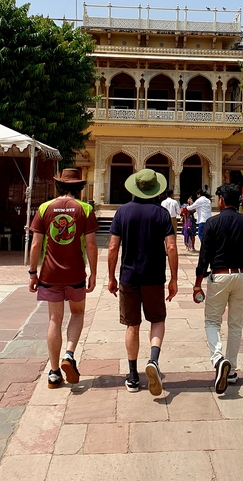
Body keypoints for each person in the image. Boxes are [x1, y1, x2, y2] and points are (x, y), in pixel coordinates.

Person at [108, 169, 178, 396]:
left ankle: (132, 375)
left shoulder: (122, 212)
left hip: (129, 277)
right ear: (155, 189)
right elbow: (171, 247)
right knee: (157, 319)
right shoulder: (161, 214)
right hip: (154, 277)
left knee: (132, 325)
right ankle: (154, 360)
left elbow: (112, 247)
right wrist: (174, 279)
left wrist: (111, 276)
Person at [192, 183, 243, 394]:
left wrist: (197, 284)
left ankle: (218, 360)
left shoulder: (212, 223)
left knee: (212, 321)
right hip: (242, 276)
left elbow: (204, 257)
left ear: (222, 201)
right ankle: (231, 369)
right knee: (235, 324)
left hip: (220, 275)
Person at [29, 168, 98, 389]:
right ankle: (68, 354)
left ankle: (53, 372)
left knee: (54, 320)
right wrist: (94, 273)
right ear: (79, 187)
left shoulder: (44, 208)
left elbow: (36, 244)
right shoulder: (85, 209)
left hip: (49, 273)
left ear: (58, 185)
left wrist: (33, 272)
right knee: (77, 313)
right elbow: (91, 245)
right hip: (76, 272)